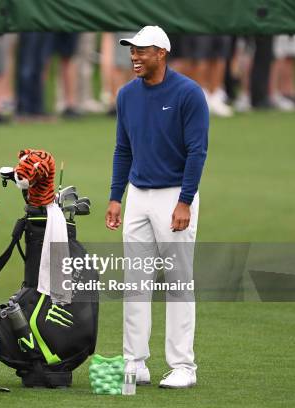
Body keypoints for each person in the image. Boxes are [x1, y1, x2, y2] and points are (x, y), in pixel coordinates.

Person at [104, 26, 208, 389]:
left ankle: (183, 366)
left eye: (142, 51)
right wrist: (116, 197)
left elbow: (197, 152)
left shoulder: (188, 94)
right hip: (138, 196)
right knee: (136, 283)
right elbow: (123, 149)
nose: (134, 57)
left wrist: (185, 201)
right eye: (132, 50)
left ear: (161, 53)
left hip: (175, 196)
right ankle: (135, 363)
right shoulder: (126, 95)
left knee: (178, 282)